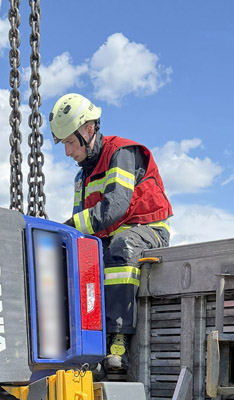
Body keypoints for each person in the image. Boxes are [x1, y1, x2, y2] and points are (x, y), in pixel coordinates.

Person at [49, 93, 173, 372]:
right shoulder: (82, 176)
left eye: (70, 142)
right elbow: (85, 224)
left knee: (120, 248)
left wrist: (65, 228)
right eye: (64, 144)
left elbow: (114, 208)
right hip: (111, 236)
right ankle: (82, 342)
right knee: (79, 257)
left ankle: (118, 341)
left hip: (147, 230)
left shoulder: (122, 153)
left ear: (88, 130)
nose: (67, 152)